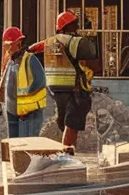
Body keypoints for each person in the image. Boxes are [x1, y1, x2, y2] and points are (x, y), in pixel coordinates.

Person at [30, 10, 97, 152]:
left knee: (68, 123)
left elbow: (32, 49)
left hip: (56, 90)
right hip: (74, 89)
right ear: (67, 26)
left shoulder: (49, 42)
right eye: (74, 23)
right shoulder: (73, 41)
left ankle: (69, 153)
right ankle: (66, 155)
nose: (77, 26)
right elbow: (91, 52)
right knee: (71, 125)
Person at [0, 26, 47, 139]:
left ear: (18, 43)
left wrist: (26, 104)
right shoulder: (10, 61)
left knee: (27, 146)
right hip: (12, 110)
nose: (7, 48)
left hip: (29, 113)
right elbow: (4, 82)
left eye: (9, 45)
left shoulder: (30, 59)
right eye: (6, 45)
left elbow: (40, 82)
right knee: (14, 146)